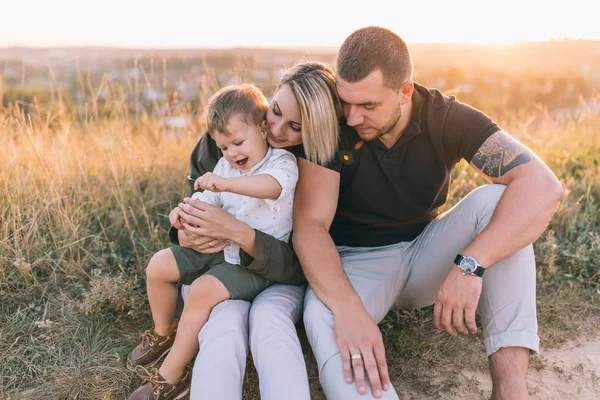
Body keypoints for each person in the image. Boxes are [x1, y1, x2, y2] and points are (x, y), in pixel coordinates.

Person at [292, 26, 564, 400]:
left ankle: (511, 392)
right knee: (323, 318)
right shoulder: (332, 123)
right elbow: (310, 226)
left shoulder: (445, 116)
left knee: (498, 201)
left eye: (368, 106)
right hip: (356, 264)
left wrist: (470, 264)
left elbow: (544, 187)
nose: (352, 118)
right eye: (346, 102)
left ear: (405, 92)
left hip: (426, 252)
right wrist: (349, 310)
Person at [171, 61, 342, 399]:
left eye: (295, 126)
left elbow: (302, 253)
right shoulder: (231, 134)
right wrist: (184, 232)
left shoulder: (312, 160)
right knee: (223, 322)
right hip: (229, 267)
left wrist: (239, 233)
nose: (276, 129)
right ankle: (176, 375)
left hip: (283, 272)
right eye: (275, 111)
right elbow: (196, 200)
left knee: (269, 323)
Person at [126, 84, 300, 400]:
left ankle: (171, 376)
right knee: (159, 265)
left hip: (255, 263)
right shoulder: (226, 166)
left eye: (237, 142)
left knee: (203, 291)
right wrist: (183, 217)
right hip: (219, 249)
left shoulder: (281, 162)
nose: (232, 153)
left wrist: (227, 182)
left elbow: (273, 188)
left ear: (263, 129)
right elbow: (207, 198)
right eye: (223, 147)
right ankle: (164, 332)